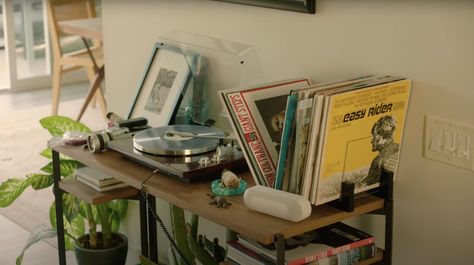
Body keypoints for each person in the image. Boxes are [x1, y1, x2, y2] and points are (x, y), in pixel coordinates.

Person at [362, 115, 399, 186]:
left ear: (384, 136)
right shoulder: (400, 148)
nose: (371, 141)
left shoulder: (378, 161)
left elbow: (367, 184)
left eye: (374, 136)